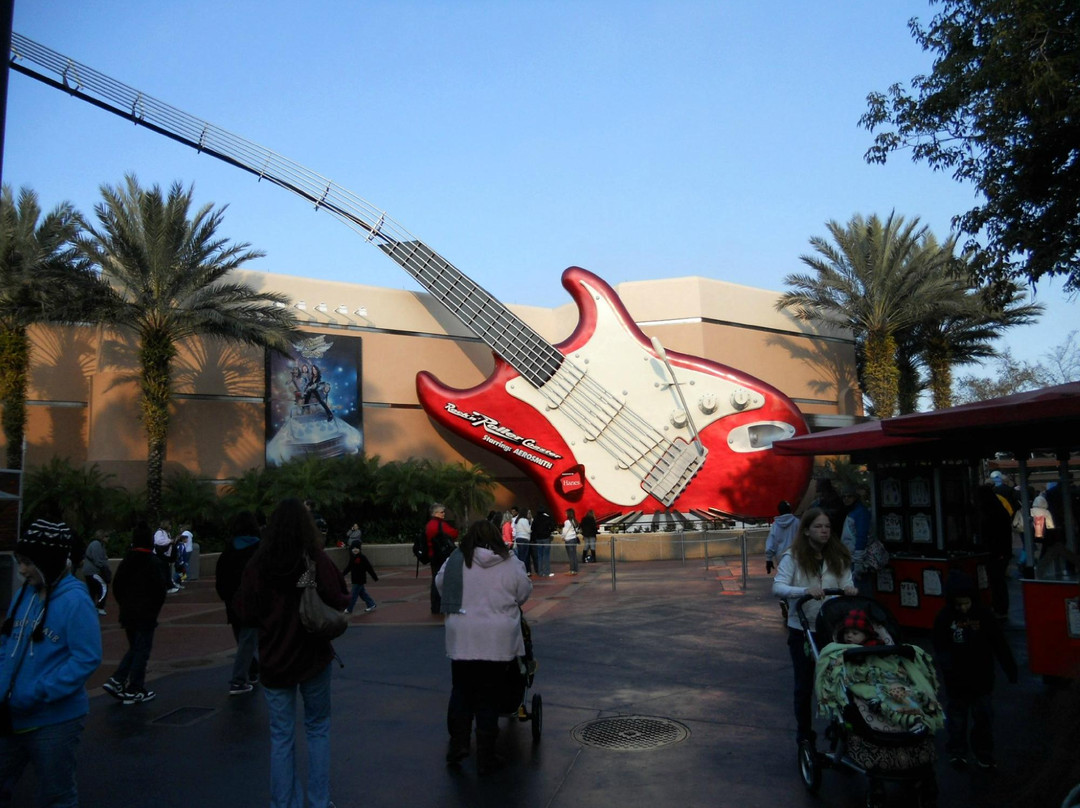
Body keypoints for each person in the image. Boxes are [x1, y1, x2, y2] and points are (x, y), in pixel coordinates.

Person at [237, 497, 349, 808]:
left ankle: (284, 803)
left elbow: (245, 611)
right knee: (318, 728)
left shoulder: (258, 565)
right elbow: (339, 596)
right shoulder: (312, 560)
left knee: (281, 736)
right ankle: (319, 800)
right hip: (312, 656)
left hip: (275, 659)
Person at [0, 518, 102, 808]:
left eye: (28, 562)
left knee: (55, 794)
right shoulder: (22, 595)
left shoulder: (75, 601)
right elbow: (7, 643)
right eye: (19, 561)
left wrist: (39, 692)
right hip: (10, 716)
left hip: (54, 721)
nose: (22, 570)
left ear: (48, 561)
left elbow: (86, 658)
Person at [435, 519, 531, 774]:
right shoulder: (510, 562)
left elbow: (440, 584)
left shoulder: (456, 560)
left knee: (461, 691)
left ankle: (458, 744)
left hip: (462, 637)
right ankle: (486, 755)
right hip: (497, 640)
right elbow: (523, 593)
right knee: (489, 696)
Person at [771, 507, 857, 750]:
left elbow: (847, 581)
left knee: (838, 680)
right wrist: (804, 591)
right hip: (803, 628)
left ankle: (840, 726)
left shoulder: (838, 556)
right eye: (818, 526)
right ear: (807, 530)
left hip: (832, 628)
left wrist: (849, 589)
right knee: (804, 684)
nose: (824, 531)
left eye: (827, 527)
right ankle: (804, 733)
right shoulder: (793, 557)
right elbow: (778, 587)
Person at [932, 570, 1017, 771]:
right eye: (958, 604)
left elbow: (999, 643)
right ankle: (958, 752)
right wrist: (948, 669)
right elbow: (940, 646)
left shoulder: (984, 615)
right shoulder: (944, 618)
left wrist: (1010, 668)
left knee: (983, 719)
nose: (963, 608)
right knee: (957, 719)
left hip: (982, 679)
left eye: (966, 603)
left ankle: (983, 753)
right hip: (957, 681)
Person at [103, 522, 171, 705]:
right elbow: (160, 590)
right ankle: (134, 688)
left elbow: (117, 586)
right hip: (145, 615)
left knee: (135, 647)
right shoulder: (152, 562)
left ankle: (118, 680)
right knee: (142, 650)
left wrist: (125, 605)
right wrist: (153, 609)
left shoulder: (127, 561)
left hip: (128, 614)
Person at [215, 510, 262, 696]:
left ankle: (252, 670)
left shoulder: (228, 550)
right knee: (247, 641)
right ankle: (238, 680)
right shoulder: (259, 549)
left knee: (243, 640)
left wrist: (228, 597)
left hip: (232, 603)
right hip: (253, 603)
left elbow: (220, 579)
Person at [840, 486, 874, 596]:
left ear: (855, 497)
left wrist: (858, 560)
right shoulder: (853, 511)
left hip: (858, 558)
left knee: (860, 591)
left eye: (849, 496)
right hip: (851, 557)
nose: (846, 499)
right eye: (844, 497)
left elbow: (862, 536)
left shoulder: (860, 512)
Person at [426, 503, 459, 614]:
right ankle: (441, 605)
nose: (444, 514)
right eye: (442, 512)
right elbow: (454, 533)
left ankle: (435, 606)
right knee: (442, 580)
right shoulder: (440, 524)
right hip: (442, 555)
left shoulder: (429, 524)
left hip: (432, 555)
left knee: (434, 579)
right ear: (435, 513)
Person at [342, 538, 378, 614]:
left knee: (353, 595)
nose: (355, 550)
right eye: (353, 548)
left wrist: (374, 576)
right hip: (355, 579)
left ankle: (349, 609)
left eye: (357, 548)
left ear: (359, 549)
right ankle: (371, 604)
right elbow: (348, 568)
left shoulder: (362, 557)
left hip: (360, 579)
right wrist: (342, 575)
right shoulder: (352, 558)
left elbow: (369, 567)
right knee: (362, 593)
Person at [81, 529, 112, 615]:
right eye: (106, 536)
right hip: (93, 571)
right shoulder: (96, 545)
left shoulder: (99, 545)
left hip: (90, 571)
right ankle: (100, 607)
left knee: (92, 591)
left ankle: (90, 607)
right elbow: (98, 560)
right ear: (102, 537)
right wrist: (104, 566)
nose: (108, 538)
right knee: (103, 587)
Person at [764, 500, 799, 574]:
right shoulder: (797, 522)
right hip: (796, 555)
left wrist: (769, 559)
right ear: (790, 509)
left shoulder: (775, 525)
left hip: (780, 557)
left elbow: (771, 543)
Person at [153, 519, 180, 594]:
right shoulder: (159, 532)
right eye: (169, 525)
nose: (170, 527)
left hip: (165, 555)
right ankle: (167, 587)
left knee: (166, 571)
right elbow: (159, 541)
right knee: (163, 571)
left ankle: (169, 586)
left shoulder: (167, 533)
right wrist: (170, 541)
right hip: (160, 555)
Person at [531, 508, 557, 578]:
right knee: (546, 555)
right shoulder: (547, 518)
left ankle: (540, 572)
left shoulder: (535, 518)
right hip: (546, 538)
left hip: (538, 538)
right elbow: (553, 527)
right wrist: (548, 532)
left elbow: (532, 528)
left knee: (539, 556)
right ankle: (547, 572)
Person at [511, 506, 533, 574]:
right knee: (525, 556)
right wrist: (531, 526)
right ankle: (524, 571)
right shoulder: (524, 520)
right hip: (524, 539)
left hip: (518, 538)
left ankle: (519, 571)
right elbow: (528, 530)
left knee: (520, 555)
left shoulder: (517, 520)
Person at [562, 508, 580, 575]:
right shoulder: (575, 521)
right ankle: (575, 569)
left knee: (570, 556)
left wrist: (563, 537)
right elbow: (577, 530)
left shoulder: (567, 522)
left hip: (569, 539)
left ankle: (572, 570)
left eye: (566, 513)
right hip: (574, 539)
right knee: (574, 555)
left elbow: (565, 531)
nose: (565, 514)